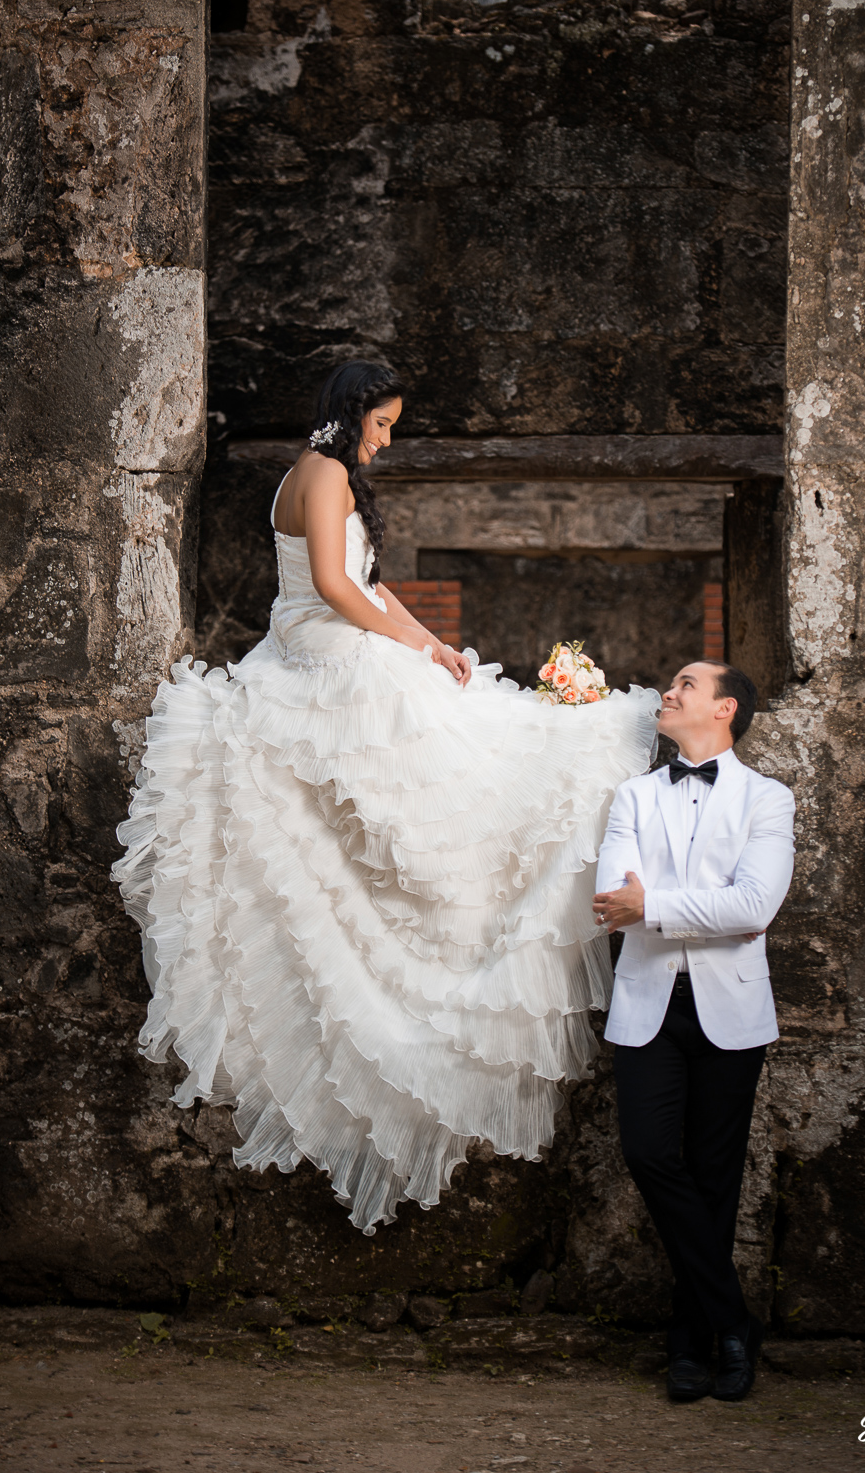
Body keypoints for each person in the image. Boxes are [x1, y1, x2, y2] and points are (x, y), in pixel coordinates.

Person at [113, 359, 658, 1234]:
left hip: (335, 640)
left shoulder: (328, 473)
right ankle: (457, 940)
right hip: (326, 656)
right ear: (351, 412)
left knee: (464, 723)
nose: (388, 437)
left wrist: (432, 645)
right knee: (462, 764)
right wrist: (400, 650)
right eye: (384, 422)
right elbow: (334, 588)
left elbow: (370, 589)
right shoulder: (320, 473)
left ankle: (463, 922)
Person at [592, 662, 795, 1404]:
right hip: (648, 1004)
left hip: (730, 1011)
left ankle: (693, 1342)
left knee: (716, 1178)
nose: (667, 694)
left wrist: (656, 905)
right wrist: (657, 905)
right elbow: (612, 900)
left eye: (684, 684)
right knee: (648, 1153)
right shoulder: (635, 795)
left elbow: (753, 908)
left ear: (724, 708)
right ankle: (735, 1319)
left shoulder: (769, 799)